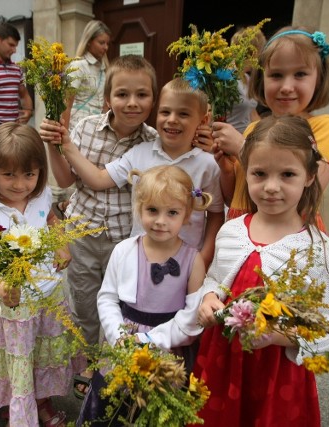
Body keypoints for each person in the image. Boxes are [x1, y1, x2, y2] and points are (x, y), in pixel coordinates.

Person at [193, 115, 329, 426]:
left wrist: (279, 335)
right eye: (259, 173)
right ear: (245, 173)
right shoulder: (232, 232)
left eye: (287, 174)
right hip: (223, 362)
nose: (271, 187)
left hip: (278, 375)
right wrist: (208, 297)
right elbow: (216, 280)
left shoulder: (318, 249)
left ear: (309, 176)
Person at [38, 54, 159, 399]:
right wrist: (54, 144)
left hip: (126, 239)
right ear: (108, 98)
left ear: (153, 98)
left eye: (142, 95)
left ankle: (114, 364)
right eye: (122, 94)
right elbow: (65, 179)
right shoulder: (86, 128)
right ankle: (89, 362)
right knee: (85, 303)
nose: (132, 103)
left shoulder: (153, 142)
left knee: (122, 306)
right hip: (83, 233)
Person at [0, 123, 79, 427]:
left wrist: (62, 246)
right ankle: (16, 407)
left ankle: (42, 401)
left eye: (30, 174)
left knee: (42, 354)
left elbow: (52, 219)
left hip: (47, 293)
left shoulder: (40, 197)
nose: (20, 184)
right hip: (12, 304)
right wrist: (0, 286)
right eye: (9, 175)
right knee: (18, 358)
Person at [77, 165, 210, 425]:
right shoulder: (124, 250)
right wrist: (119, 336)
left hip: (168, 348)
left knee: (157, 410)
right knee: (113, 404)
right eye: (152, 210)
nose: (161, 220)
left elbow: (192, 315)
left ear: (186, 215)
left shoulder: (193, 260)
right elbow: (107, 298)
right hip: (124, 342)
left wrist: (151, 340)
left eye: (172, 212)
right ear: (140, 209)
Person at [44, 78, 225, 267]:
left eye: (183, 114)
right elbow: (98, 179)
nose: (172, 119)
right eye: (165, 112)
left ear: (203, 120)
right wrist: (66, 145)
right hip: (139, 261)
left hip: (187, 262)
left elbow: (215, 214)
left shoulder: (208, 164)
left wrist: (204, 259)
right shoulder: (140, 152)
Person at [207, 26, 329, 227]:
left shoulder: (324, 127)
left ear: (319, 78)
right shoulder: (253, 129)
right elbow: (234, 199)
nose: (286, 87)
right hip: (241, 234)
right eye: (276, 75)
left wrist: (242, 149)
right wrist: (227, 171)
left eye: (300, 74)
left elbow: (309, 193)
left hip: (286, 242)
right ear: (261, 79)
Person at [61, 20, 111, 132]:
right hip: (77, 127)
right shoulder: (78, 66)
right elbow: (66, 104)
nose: (106, 47)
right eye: (101, 43)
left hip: (97, 128)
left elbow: (105, 107)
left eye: (107, 43)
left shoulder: (105, 69)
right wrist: (64, 134)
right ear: (89, 41)